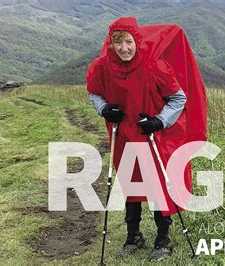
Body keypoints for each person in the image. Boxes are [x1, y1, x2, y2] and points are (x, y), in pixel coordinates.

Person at [86, 16, 207, 261]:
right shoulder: (102, 67)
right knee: (131, 185)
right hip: (124, 137)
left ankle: (163, 240)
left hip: (152, 135)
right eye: (118, 43)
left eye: (128, 42)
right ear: (110, 44)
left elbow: (178, 98)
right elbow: (94, 93)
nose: (124, 48)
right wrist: (104, 109)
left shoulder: (154, 65)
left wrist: (159, 120)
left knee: (159, 185)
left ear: (136, 41)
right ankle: (134, 236)